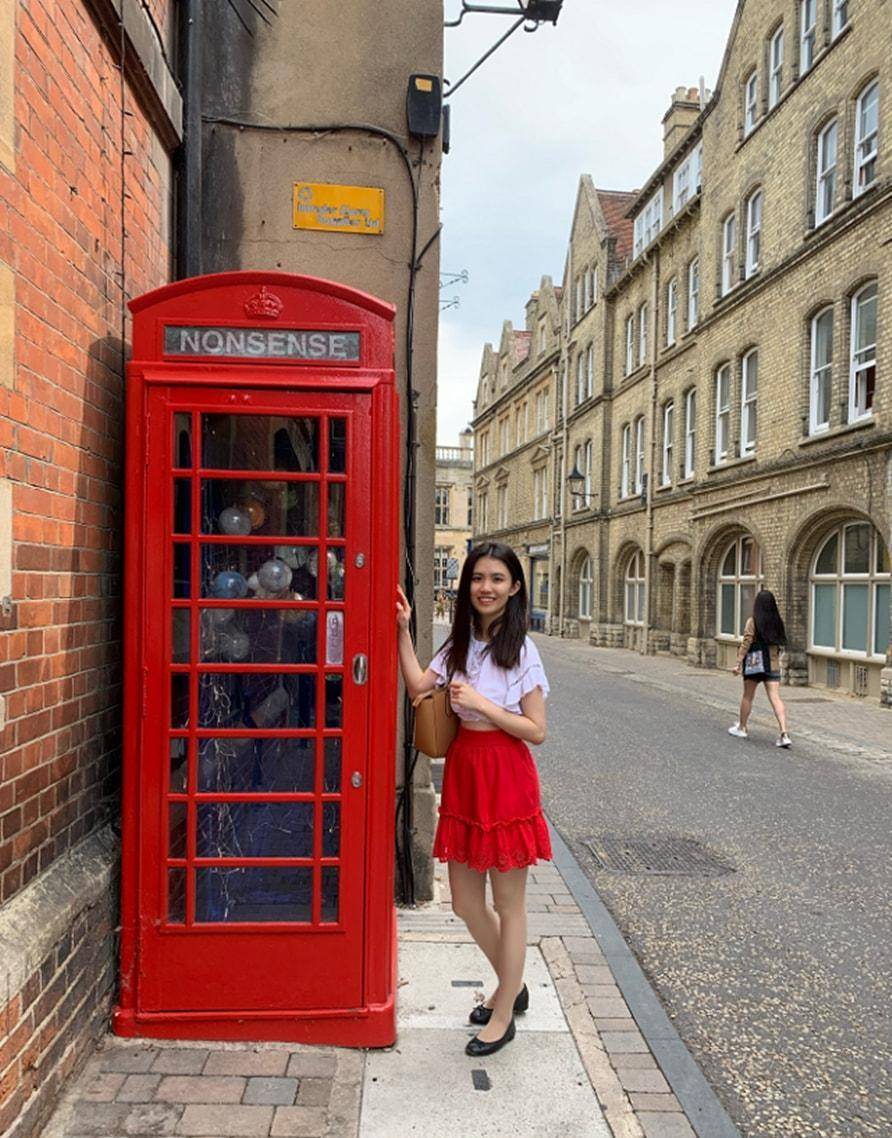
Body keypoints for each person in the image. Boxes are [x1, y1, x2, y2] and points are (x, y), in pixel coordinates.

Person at [395, 542, 551, 1058]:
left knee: (509, 905)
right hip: (464, 774)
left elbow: (536, 730)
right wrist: (402, 629)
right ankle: (514, 982)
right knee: (464, 902)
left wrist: (483, 704)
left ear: (515, 588)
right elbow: (419, 686)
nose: (486, 587)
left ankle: (504, 1010)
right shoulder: (457, 646)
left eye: (497, 579)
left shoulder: (521, 651)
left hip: (505, 774)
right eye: (478, 578)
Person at [729, 589, 792, 747]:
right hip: (773, 664)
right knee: (775, 698)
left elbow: (747, 642)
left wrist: (738, 662)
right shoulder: (777, 622)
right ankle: (784, 733)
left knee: (747, 696)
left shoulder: (753, 621)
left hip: (754, 664)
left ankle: (742, 727)